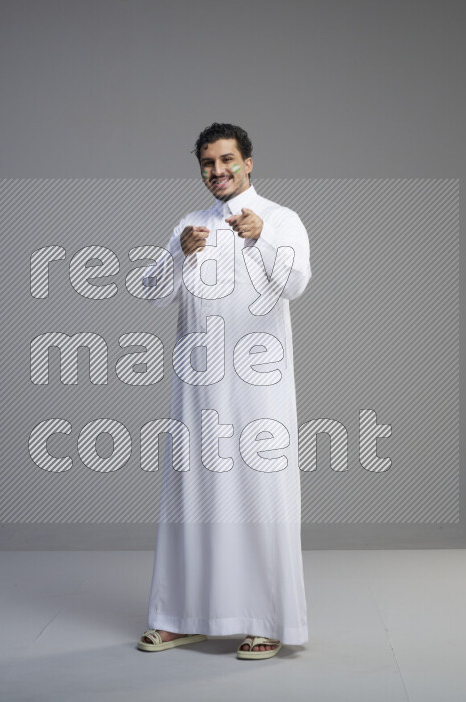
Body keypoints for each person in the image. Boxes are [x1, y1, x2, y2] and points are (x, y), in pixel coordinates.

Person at [136, 123, 311, 660]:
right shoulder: (189, 224)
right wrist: (178, 256)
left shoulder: (281, 220)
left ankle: (267, 621)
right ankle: (181, 616)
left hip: (258, 388)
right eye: (208, 164)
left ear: (249, 162)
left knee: (258, 495)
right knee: (192, 496)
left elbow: (296, 285)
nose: (218, 172)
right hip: (198, 386)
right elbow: (152, 292)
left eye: (228, 160)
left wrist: (261, 239)